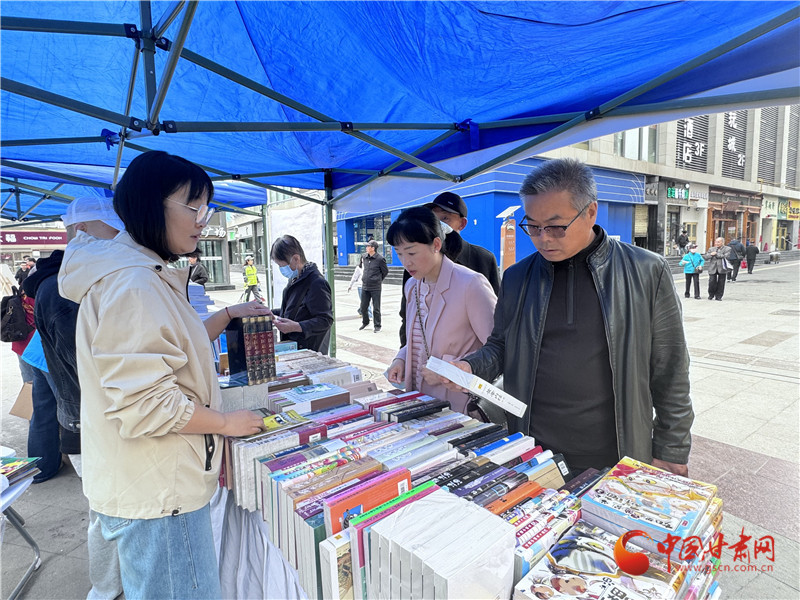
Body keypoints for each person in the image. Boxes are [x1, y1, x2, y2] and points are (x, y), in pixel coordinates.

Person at [59, 150, 269, 599]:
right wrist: (226, 423)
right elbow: (147, 404)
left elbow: (176, 346)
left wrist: (228, 313)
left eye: (206, 209)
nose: (202, 222)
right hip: (159, 492)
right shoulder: (133, 283)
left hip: (152, 484)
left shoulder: (141, 275)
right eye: (193, 207)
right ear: (151, 204)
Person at [444, 158, 693, 476]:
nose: (543, 238)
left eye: (556, 226)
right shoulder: (518, 277)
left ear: (591, 212)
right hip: (534, 449)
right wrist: (469, 367)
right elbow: (501, 346)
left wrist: (672, 449)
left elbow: (671, 369)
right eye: (533, 226)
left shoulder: (646, 271)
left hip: (618, 451)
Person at [23, 195, 125, 597]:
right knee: (109, 512)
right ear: (82, 231)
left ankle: (111, 585)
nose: (118, 240)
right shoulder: (65, 289)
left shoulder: (72, 280)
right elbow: (91, 366)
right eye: (111, 232)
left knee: (109, 511)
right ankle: (106, 589)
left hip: (89, 415)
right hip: (89, 420)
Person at [385, 207, 497, 414]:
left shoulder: (470, 284)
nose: (406, 262)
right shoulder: (412, 286)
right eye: (399, 254)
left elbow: (497, 348)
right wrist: (401, 359)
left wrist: (446, 370)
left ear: (436, 244)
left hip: (460, 405)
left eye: (411, 252)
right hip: (420, 399)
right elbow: (418, 339)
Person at [398, 191, 501, 345]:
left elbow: (496, 319)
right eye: (434, 218)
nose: (438, 225)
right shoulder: (416, 263)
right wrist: (405, 352)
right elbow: (407, 316)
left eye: (445, 218)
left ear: (462, 223)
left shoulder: (483, 260)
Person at [268, 234, 334, 353]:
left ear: (296, 259)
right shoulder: (295, 279)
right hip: (293, 347)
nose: (281, 269)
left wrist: (296, 327)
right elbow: (293, 309)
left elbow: (325, 320)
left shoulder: (316, 283)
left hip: (309, 350)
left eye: (282, 265)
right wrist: (269, 312)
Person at [359, 239, 388, 332]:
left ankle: (377, 325)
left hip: (375, 287)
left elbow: (385, 271)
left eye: (368, 246)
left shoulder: (380, 259)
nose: (366, 248)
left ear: (373, 248)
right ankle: (365, 322)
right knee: (363, 307)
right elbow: (361, 267)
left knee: (376, 308)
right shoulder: (364, 257)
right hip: (365, 286)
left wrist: (378, 280)